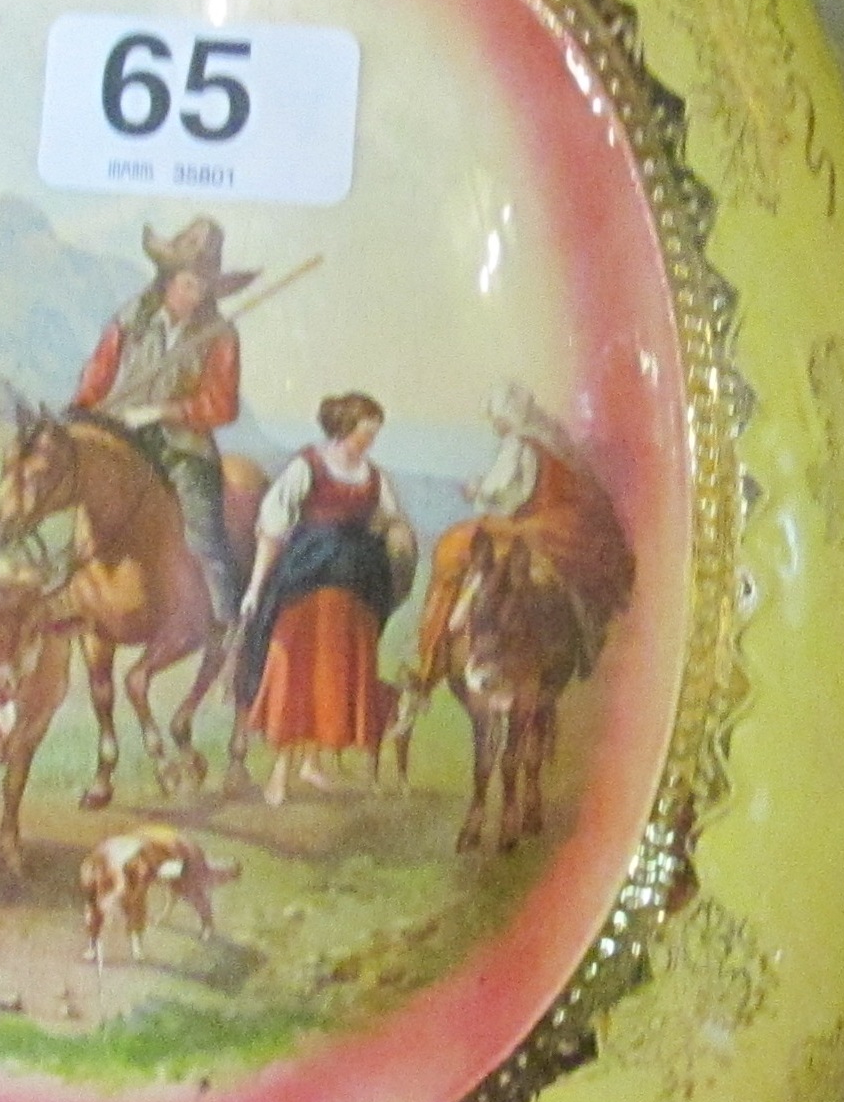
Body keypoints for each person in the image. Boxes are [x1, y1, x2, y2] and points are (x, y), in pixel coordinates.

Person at [232, 394, 418, 803]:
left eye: (373, 434)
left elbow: (387, 519)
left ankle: (311, 764)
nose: (369, 441)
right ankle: (279, 773)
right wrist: (255, 588)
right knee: (295, 673)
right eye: (364, 432)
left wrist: (397, 532)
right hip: (307, 584)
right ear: (344, 428)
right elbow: (273, 528)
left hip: (355, 590)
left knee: (334, 677)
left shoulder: (374, 477)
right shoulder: (308, 466)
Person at [72, 216, 253, 623]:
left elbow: (223, 405)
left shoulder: (219, 335)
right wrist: (85, 409)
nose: (193, 294)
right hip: (122, 434)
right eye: (187, 282)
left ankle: (227, 624)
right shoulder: (129, 319)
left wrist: (165, 412)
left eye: (202, 286)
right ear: (168, 278)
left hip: (183, 448)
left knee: (204, 535)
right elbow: (99, 373)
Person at [415, 385, 635, 690]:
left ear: (506, 416)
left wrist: (476, 489)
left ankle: (434, 651)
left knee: (453, 548)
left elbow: (506, 492)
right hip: (553, 523)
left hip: (532, 523)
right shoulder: (550, 440)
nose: (494, 424)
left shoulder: (519, 443)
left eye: (495, 418)